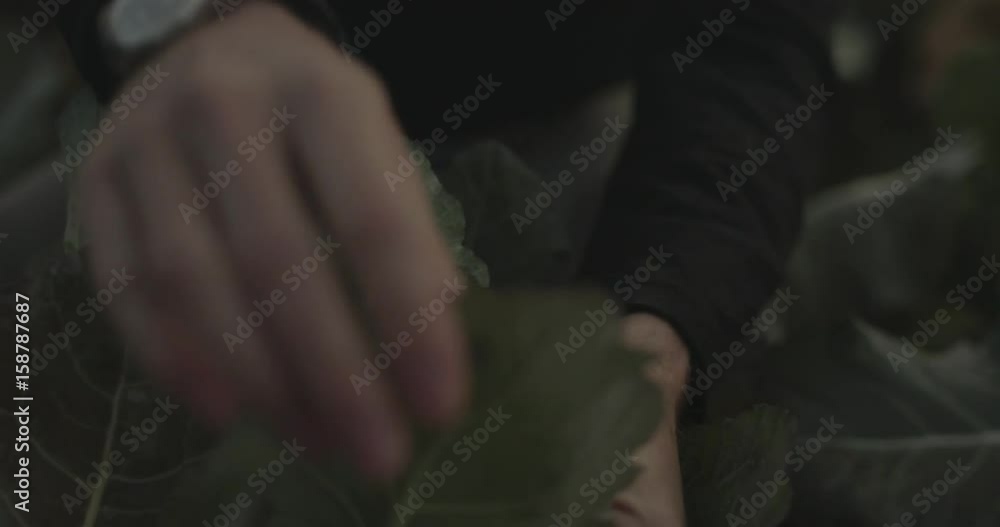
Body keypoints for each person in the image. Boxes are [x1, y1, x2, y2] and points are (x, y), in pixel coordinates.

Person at [56, 1, 835, 524]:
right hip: (199, 101)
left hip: (569, 118)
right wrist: (185, 23)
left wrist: (641, 356)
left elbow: (756, 36)